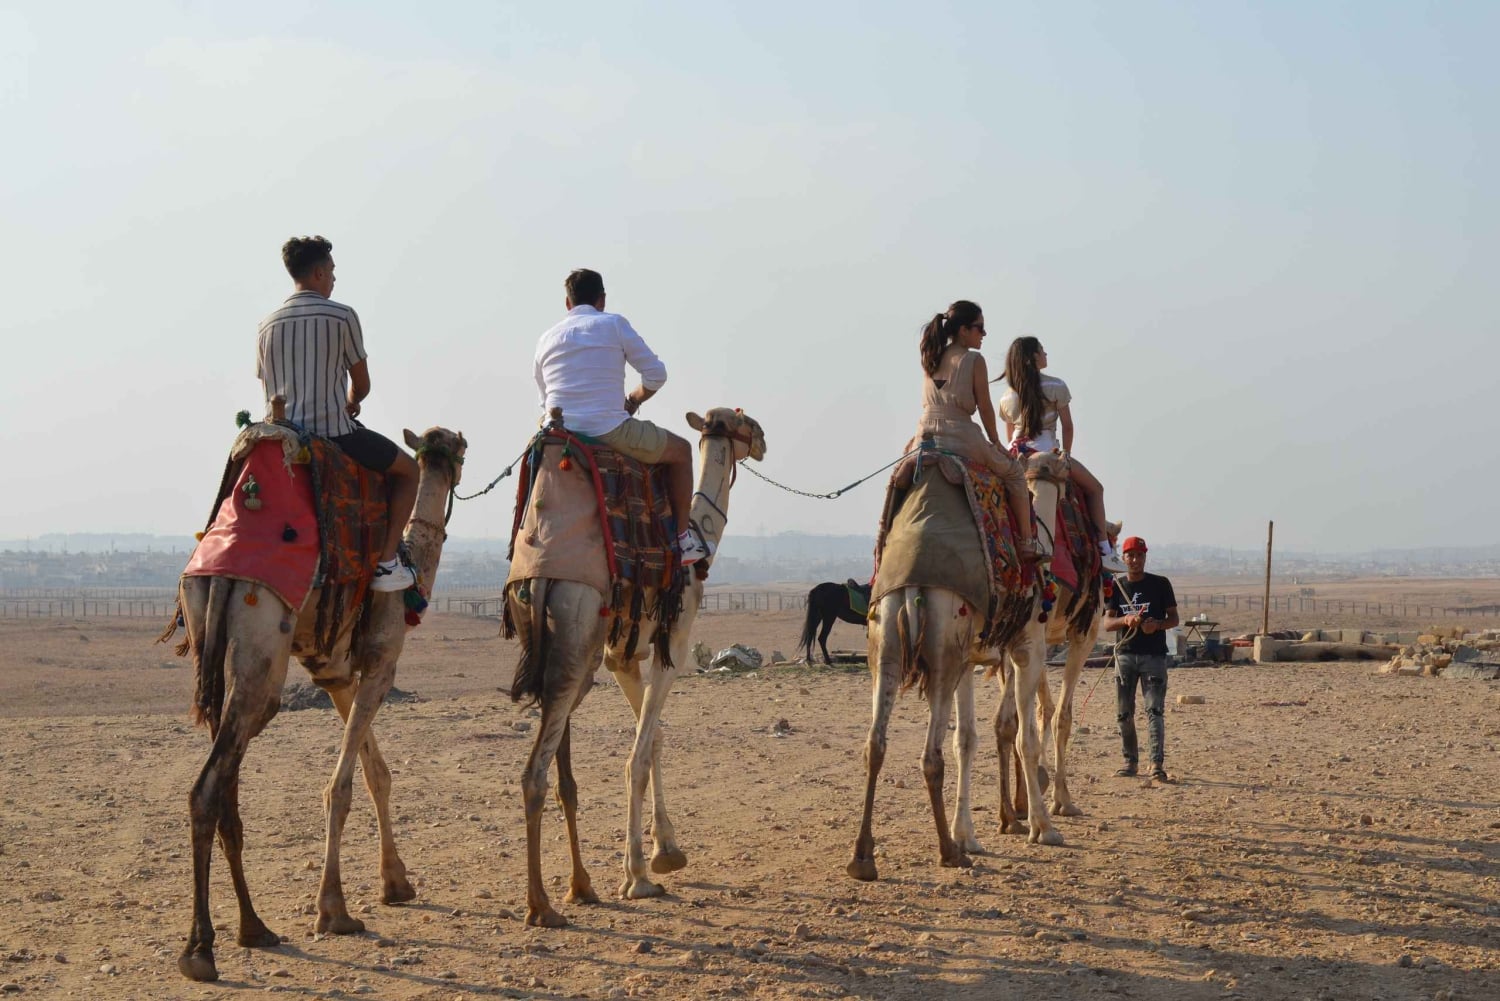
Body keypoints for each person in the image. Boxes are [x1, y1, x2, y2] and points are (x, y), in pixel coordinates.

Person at [257, 236, 419, 591]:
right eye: (331, 271)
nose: (333, 278)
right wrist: (351, 399)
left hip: (278, 439)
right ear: (317, 273)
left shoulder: (266, 325)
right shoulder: (342, 315)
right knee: (410, 471)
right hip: (334, 433)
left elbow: (266, 385)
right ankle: (388, 562)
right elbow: (361, 384)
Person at [533, 268, 708, 565]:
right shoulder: (614, 324)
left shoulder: (546, 337)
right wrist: (632, 400)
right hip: (608, 428)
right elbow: (656, 375)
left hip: (557, 434)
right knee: (682, 452)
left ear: (567, 303)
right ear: (602, 300)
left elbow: (544, 399)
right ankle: (682, 540)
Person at [908, 300, 1038, 560]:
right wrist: (996, 442)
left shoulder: (930, 357)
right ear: (963, 330)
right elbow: (985, 406)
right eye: (979, 328)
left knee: (900, 479)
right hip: (959, 434)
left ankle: (884, 539)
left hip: (924, 435)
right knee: (1014, 474)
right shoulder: (973, 360)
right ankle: (1026, 543)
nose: (984, 334)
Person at [999, 335, 1127, 573]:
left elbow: (1010, 437)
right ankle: (1105, 551)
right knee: (1095, 489)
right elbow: (1068, 426)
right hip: (1048, 452)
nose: (1046, 354)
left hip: (1016, 456)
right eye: (1042, 351)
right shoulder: (1056, 386)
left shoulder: (1007, 397)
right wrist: (1065, 453)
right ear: (1033, 357)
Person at [1100, 536, 1179, 781]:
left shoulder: (1160, 584)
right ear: (1123, 558)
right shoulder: (1116, 586)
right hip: (1125, 656)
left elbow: (1174, 619)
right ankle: (1130, 762)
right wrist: (1125, 620)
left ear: (1145, 557)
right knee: (1124, 713)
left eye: (1139, 556)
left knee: (1154, 711)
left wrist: (1157, 625)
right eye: (1130, 556)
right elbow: (1107, 622)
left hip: (1154, 656)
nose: (1135, 560)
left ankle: (1156, 764)